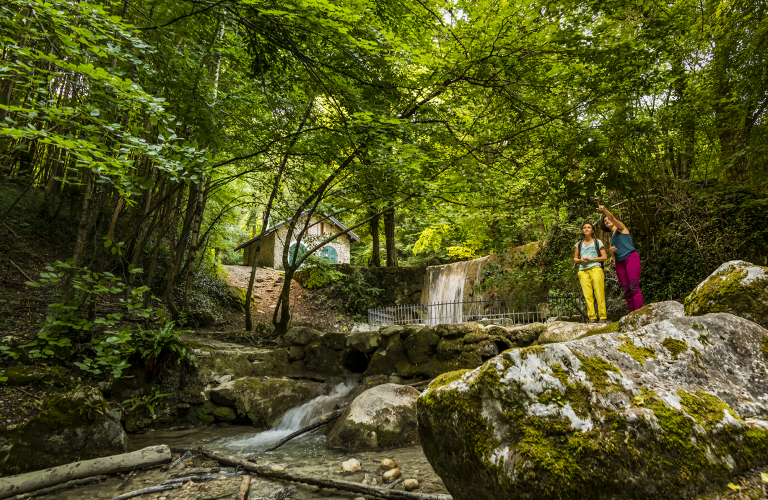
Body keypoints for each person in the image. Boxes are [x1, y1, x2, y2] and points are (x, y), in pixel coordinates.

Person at [598, 204, 644, 312]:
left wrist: (604, 210)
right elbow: (614, 256)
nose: (607, 221)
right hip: (619, 262)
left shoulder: (621, 228)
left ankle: (639, 313)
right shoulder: (611, 239)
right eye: (605, 221)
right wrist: (610, 252)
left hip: (630, 258)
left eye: (608, 219)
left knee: (634, 286)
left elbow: (613, 218)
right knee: (627, 290)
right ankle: (632, 313)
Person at [573, 221, 608, 323]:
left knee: (599, 293)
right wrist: (581, 260)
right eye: (584, 227)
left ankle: (602, 317)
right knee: (587, 295)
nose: (586, 229)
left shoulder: (598, 242)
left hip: (595, 269)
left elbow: (604, 257)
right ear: (583, 230)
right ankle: (592, 317)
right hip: (583, 271)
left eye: (589, 227)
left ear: (592, 230)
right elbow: (575, 259)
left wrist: (591, 259)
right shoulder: (579, 244)